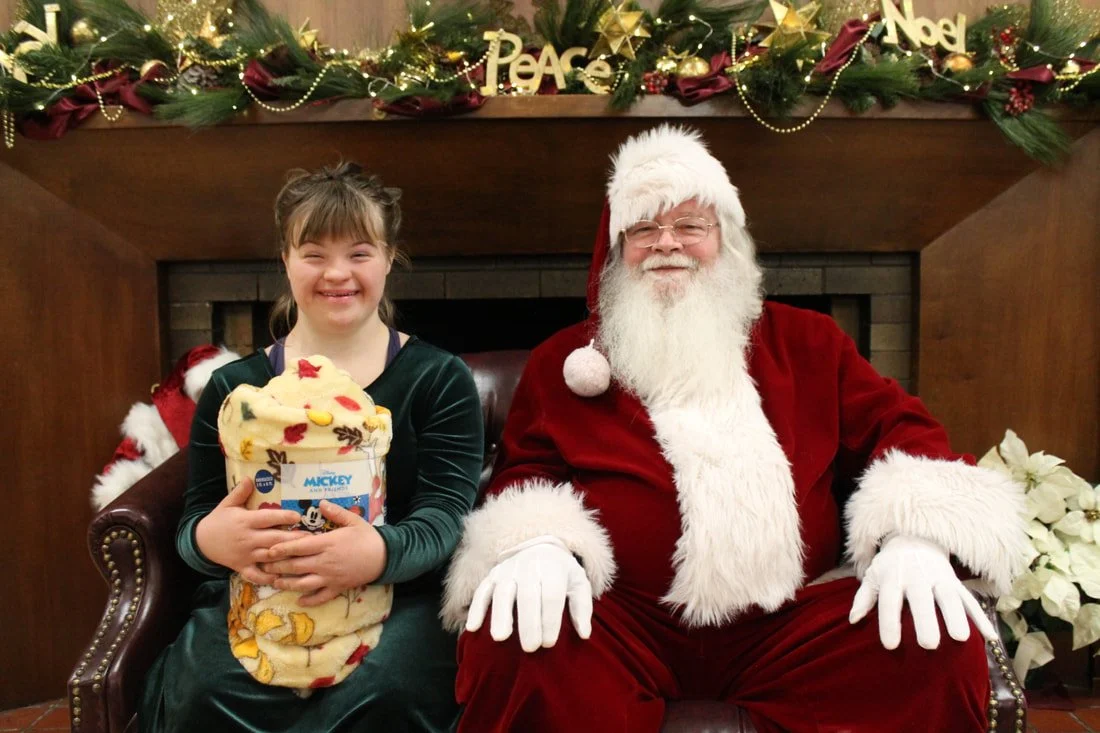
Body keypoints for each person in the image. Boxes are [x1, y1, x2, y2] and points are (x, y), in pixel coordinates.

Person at [442, 126, 1027, 733]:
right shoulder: (564, 362)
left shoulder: (810, 343)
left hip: (788, 624)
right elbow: (526, 471)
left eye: (690, 226)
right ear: (616, 251)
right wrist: (537, 543)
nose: (667, 244)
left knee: (930, 644)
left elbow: (900, 428)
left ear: (725, 240)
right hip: (621, 623)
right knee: (513, 638)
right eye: (644, 229)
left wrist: (914, 538)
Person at [140, 162, 485, 732]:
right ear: (285, 261)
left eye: (359, 252)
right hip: (260, 601)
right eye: (314, 253)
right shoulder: (236, 390)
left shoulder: (438, 378)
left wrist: (376, 555)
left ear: (389, 257)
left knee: (385, 692)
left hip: (402, 597)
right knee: (204, 691)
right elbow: (195, 520)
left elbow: (448, 517)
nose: (337, 274)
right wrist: (209, 538)